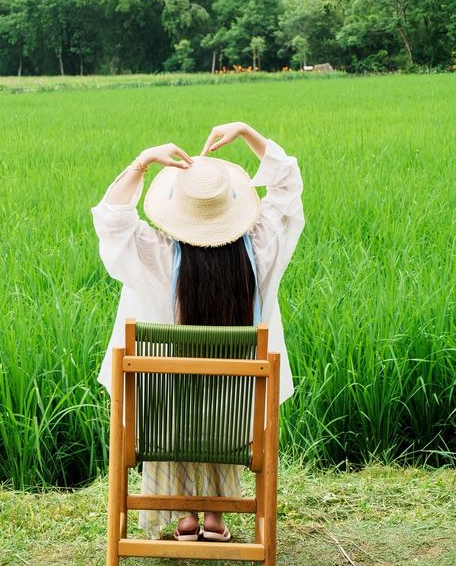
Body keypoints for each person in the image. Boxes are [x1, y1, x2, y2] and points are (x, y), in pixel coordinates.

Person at [92, 120, 304, 542]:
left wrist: (143, 161)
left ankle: (187, 518)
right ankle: (216, 520)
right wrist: (246, 132)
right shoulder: (262, 250)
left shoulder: (153, 254)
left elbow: (112, 219)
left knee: (177, 399)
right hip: (237, 421)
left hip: (160, 426)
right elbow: (287, 188)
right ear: (234, 207)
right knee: (220, 400)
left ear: (178, 211)